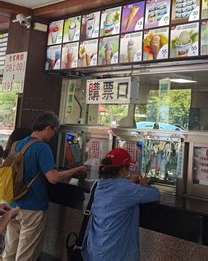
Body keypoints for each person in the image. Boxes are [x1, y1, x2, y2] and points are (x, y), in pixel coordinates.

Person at [2, 112, 87, 261]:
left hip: (13, 204)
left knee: (9, 252)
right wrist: (76, 170)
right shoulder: (42, 148)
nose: (53, 135)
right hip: (33, 207)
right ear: (48, 128)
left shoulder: (17, 145)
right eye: (54, 131)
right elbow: (53, 178)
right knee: (26, 255)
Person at [82, 148, 160, 261]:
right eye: (128, 168)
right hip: (115, 253)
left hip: (94, 249)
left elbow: (118, 188)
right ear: (123, 170)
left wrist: (128, 182)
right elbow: (155, 194)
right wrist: (142, 184)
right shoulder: (126, 189)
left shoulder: (97, 185)